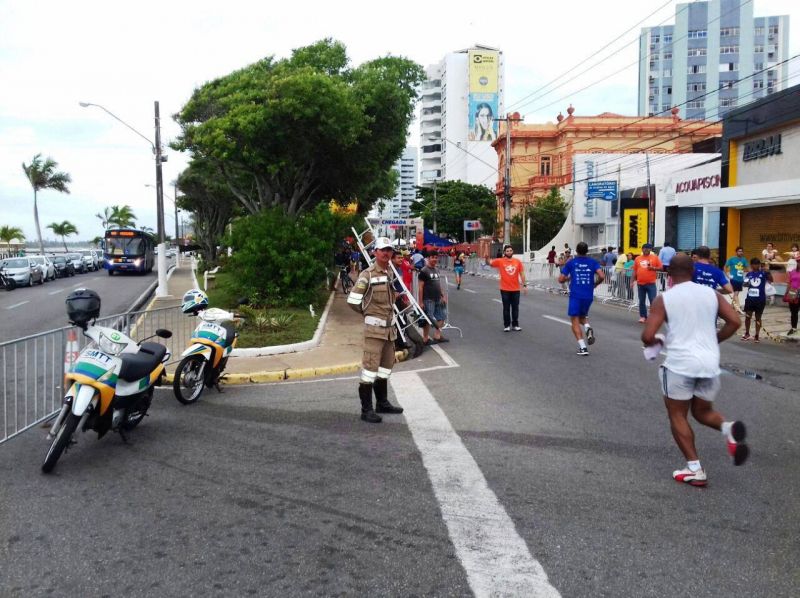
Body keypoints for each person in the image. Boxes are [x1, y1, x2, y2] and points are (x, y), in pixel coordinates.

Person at [641, 254, 747, 487]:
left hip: (680, 364)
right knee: (702, 411)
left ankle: (694, 468)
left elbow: (647, 336)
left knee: (677, 415)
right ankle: (728, 429)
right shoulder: (712, 294)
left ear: (669, 275)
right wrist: (714, 340)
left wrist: (656, 342)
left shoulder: (664, 299)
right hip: (709, 363)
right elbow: (735, 322)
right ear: (694, 272)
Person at [346, 237, 404, 424]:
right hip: (374, 331)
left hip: (389, 331)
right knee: (370, 370)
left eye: (389, 250)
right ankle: (366, 409)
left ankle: (382, 403)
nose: (386, 253)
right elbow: (353, 300)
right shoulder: (367, 274)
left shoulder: (389, 272)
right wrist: (367, 314)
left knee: (385, 368)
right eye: (382, 250)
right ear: (375, 253)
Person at [558, 242, 604, 355]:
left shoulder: (571, 263)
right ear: (587, 251)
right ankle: (588, 327)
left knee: (574, 320)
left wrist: (568, 278)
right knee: (582, 316)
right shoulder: (593, 262)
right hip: (588, 295)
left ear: (576, 251)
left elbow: (560, 279)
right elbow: (602, 276)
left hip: (576, 295)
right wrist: (596, 284)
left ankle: (583, 347)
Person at [487, 244, 527, 331]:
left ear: (513, 252)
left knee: (515, 307)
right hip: (505, 289)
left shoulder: (517, 262)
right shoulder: (500, 261)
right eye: (507, 251)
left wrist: (524, 285)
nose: (509, 252)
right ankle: (507, 325)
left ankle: (515, 324)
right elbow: (489, 263)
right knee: (506, 307)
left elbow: (522, 274)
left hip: (516, 289)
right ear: (504, 252)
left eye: (510, 251)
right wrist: (487, 259)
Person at [418, 253, 448, 344]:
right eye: (433, 257)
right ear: (428, 258)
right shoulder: (424, 271)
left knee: (442, 316)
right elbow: (420, 287)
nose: (435, 259)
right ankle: (425, 339)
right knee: (428, 319)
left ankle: (437, 335)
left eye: (436, 257)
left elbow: (438, 284)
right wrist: (420, 302)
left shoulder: (436, 269)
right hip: (428, 299)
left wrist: (443, 296)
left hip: (438, 298)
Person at [741, 258, 772, 343]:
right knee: (748, 317)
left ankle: (757, 335)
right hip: (750, 299)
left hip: (760, 299)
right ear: (751, 265)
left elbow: (771, 280)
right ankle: (747, 333)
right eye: (754, 264)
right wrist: (745, 282)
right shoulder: (749, 274)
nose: (756, 265)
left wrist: (768, 271)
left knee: (758, 318)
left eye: (757, 264)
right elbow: (745, 284)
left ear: (759, 264)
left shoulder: (763, 273)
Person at [632, 243, 662, 322]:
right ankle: (643, 316)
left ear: (650, 249)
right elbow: (634, 271)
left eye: (648, 248)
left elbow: (661, 268)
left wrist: (653, 268)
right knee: (641, 301)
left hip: (651, 283)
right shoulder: (637, 258)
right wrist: (632, 282)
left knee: (653, 300)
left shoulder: (655, 258)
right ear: (642, 249)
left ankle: (653, 316)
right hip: (640, 283)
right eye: (644, 248)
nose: (646, 249)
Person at [785, 261, 800, 336]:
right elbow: (789, 283)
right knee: (793, 312)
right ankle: (793, 328)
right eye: (798, 262)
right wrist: (786, 294)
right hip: (792, 293)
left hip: (799, 293)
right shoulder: (792, 272)